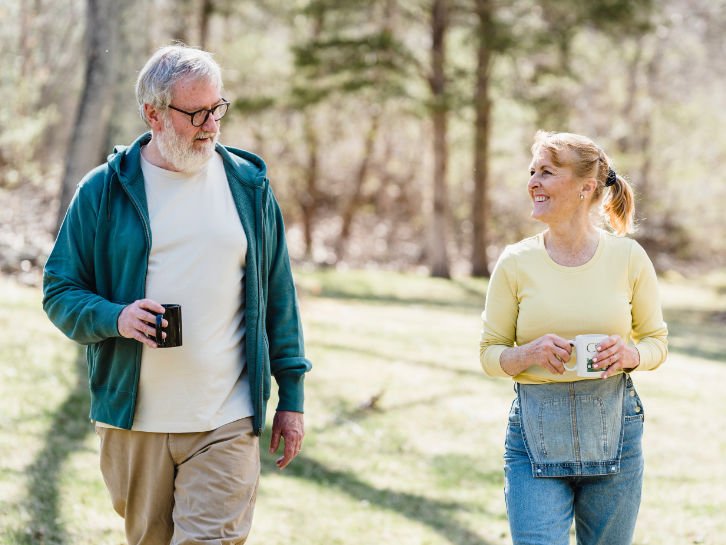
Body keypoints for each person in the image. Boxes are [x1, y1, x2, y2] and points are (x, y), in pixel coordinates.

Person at [43, 44, 312, 545]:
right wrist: (115, 317)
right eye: (195, 113)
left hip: (225, 417)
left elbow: (279, 296)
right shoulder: (102, 191)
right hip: (134, 423)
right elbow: (59, 290)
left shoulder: (248, 187)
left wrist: (291, 397)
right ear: (153, 113)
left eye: (218, 109)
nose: (211, 124)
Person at [479, 131, 668, 545]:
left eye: (546, 172)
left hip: (615, 432)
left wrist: (631, 355)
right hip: (533, 437)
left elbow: (656, 341)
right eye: (532, 172)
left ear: (586, 187)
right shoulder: (515, 262)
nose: (533, 182)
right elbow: (489, 354)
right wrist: (528, 352)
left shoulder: (629, 258)